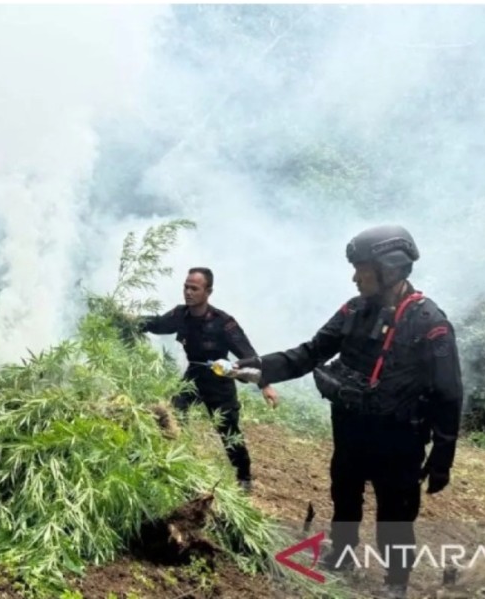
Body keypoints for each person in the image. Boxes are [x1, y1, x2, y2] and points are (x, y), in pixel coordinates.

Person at [234, 225, 463, 599]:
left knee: (396, 511)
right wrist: (261, 368)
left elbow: (449, 394)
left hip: (400, 439)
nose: (355, 277)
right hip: (351, 428)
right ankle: (341, 554)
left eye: (362, 268)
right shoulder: (353, 310)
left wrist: (442, 458)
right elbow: (310, 352)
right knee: (344, 493)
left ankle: (395, 583)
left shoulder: (430, 324)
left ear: (389, 268)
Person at [138, 267, 279, 492]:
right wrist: (128, 321)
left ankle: (244, 479)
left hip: (220, 382)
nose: (188, 292)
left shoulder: (223, 322)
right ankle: (174, 465)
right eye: (186, 287)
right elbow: (156, 324)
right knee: (173, 416)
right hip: (193, 377)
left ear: (208, 292)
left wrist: (265, 385)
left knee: (229, 431)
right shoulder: (180, 315)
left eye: (194, 288)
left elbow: (248, 354)